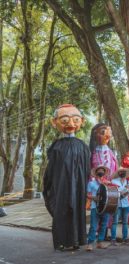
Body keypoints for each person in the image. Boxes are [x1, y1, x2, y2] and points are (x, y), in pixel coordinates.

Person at [43, 104, 90, 251]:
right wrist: (50, 186)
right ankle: (61, 241)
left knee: (77, 211)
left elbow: (87, 169)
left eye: (75, 119)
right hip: (61, 187)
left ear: (81, 121)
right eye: (65, 120)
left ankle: (76, 240)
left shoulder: (83, 146)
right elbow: (50, 171)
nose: (70, 124)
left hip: (79, 187)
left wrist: (86, 187)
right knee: (61, 211)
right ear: (55, 122)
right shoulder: (56, 146)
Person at [111, 167, 129, 245]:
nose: (122, 173)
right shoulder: (114, 181)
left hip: (126, 205)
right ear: (118, 173)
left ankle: (125, 238)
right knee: (115, 222)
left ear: (126, 173)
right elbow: (113, 192)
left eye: (123, 172)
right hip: (117, 204)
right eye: (120, 172)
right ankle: (113, 239)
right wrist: (123, 190)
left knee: (125, 223)